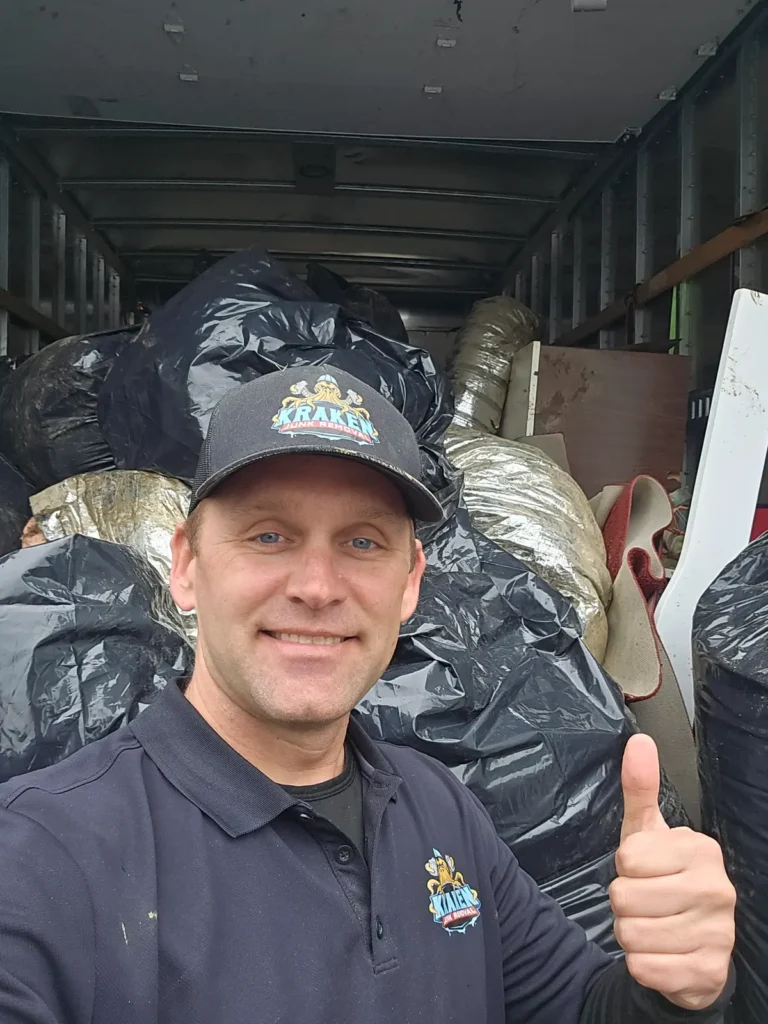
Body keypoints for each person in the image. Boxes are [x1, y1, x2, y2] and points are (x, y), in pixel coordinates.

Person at [0, 367, 735, 1024]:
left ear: (412, 582)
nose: (317, 588)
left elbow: (581, 1011)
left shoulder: (435, 807)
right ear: (187, 567)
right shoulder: (45, 856)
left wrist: (672, 991)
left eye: (362, 543)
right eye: (267, 537)